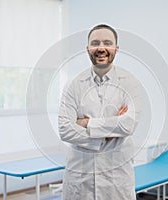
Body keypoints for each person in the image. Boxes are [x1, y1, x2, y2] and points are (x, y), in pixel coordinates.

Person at [58, 24, 142, 200]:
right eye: (95, 43)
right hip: (80, 177)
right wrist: (110, 131)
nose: (101, 48)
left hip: (116, 179)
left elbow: (128, 125)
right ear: (88, 49)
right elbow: (65, 130)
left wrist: (86, 123)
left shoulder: (130, 83)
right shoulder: (73, 85)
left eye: (107, 43)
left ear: (116, 48)